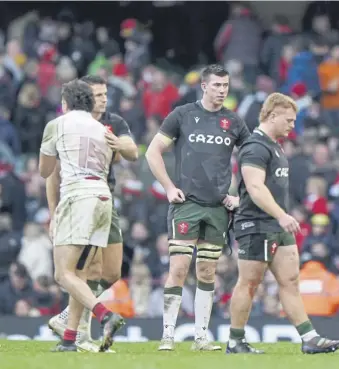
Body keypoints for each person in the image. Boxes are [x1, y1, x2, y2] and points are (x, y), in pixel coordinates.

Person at [226, 92, 339, 354]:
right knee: (249, 283)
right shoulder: (254, 147)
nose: (292, 125)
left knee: (290, 280)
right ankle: (235, 341)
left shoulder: (275, 145)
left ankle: (309, 338)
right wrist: (281, 214)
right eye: (289, 120)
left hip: (277, 226)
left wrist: (281, 218)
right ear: (272, 115)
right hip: (256, 225)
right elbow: (255, 188)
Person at [145, 64, 250, 351]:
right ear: (203, 86)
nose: (222, 90)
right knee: (178, 268)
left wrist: (240, 195)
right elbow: (153, 151)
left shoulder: (234, 122)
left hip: (217, 207)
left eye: (225, 86)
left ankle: (201, 338)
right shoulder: (183, 115)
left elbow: (253, 160)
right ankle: (167, 335)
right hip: (186, 204)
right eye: (216, 85)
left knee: (207, 271)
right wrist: (168, 187)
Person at [47, 75, 138, 352]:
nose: (104, 99)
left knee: (111, 273)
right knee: (86, 270)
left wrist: (115, 142)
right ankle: (76, 334)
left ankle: (67, 320)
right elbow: (52, 173)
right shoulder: (68, 125)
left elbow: (133, 152)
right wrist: (53, 212)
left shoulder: (114, 122)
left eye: (105, 94)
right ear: (85, 98)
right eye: (98, 95)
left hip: (104, 199)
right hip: (79, 200)